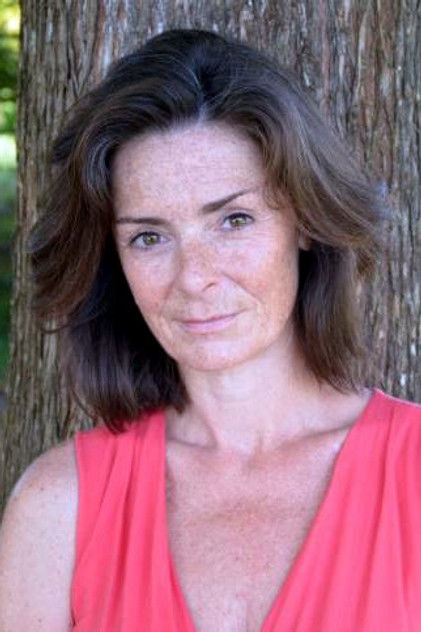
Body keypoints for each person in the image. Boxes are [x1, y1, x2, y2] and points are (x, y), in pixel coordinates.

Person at [0, 27, 420, 632]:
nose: (194, 278)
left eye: (234, 220)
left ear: (304, 221)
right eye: (149, 237)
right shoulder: (58, 506)